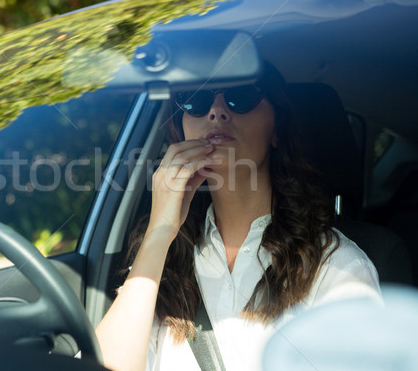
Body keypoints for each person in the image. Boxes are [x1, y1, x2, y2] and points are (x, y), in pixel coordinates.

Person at [94, 62, 381, 371]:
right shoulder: (162, 260)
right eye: (196, 99)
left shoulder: (338, 268)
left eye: (241, 96)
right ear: (181, 131)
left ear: (277, 130)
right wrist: (159, 232)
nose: (216, 111)